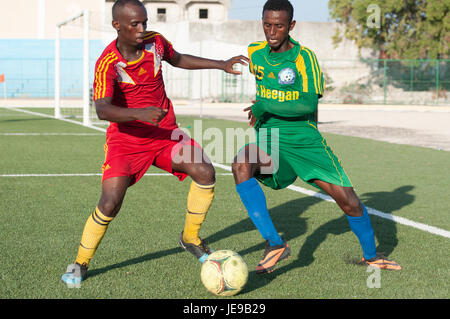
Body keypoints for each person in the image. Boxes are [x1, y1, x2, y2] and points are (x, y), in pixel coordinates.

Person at [61, 0, 249, 286]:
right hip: (126, 141)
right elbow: (102, 109)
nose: (142, 29)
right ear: (117, 26)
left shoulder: (156, 43)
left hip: (164, 134)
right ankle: (80, 262)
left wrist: (220, 64)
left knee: (204, 171)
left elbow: (179, 58)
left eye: (144, 22)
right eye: (134, 24)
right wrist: (139, 114)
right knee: (110, 202)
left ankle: (190, 238)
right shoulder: (108, 62)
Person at [232, 0, 401, 275]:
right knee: (241, 164)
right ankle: (275, 243)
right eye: (267, 24)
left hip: (304, 141)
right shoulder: (255, 53)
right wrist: (261, 108)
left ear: (291, 26)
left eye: (279, 26)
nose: (272, 32)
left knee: (349, 201)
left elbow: (307, 105)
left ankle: (371, 256)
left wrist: (265, 105)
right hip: (270, 139)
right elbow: (266, 85)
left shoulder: (304, 57)